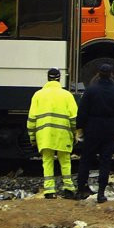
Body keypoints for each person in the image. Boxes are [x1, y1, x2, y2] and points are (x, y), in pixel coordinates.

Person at [74, 64, 114, 203]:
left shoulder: (90, 91)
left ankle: (81, 189)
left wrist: (79, 128)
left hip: (92, 129)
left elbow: (82, 112)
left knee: (86, 159)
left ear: (98, 74)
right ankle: (101, 194)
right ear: (111, 74)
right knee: (105, 161)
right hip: (110, 131)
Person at [27, 68, 78, 199]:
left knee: (47, 161)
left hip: (44, 135)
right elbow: (74, 119)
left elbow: (32, 119)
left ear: (48, 79)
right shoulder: (67, 95)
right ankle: (68, 188)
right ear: (59, 78)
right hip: (63, 134)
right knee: (65, 162)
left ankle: (49, 190)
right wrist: (75, 134)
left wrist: (33, 138)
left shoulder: (38, 95)